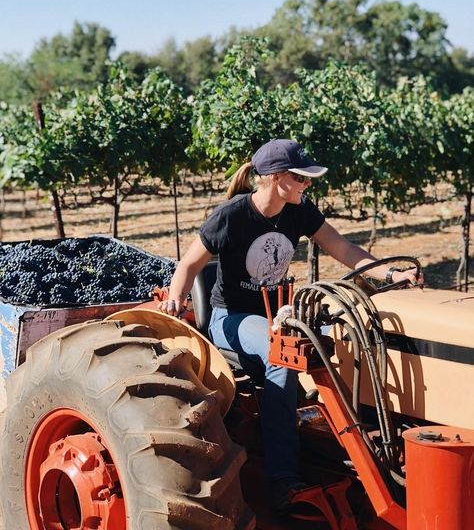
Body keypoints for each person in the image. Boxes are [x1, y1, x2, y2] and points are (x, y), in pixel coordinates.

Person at [158, 138, 423, 511]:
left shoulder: (298, 210)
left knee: (347, 339)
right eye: (302, 179)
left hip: (278, 314)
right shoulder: (232, 215)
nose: (308, 185)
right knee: (281, 355)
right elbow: (188, 266)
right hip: (229, 318)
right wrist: (176, 298)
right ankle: (283, 480)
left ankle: (361, 451)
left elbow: (344, 250)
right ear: (276, 178)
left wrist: (391, 272)